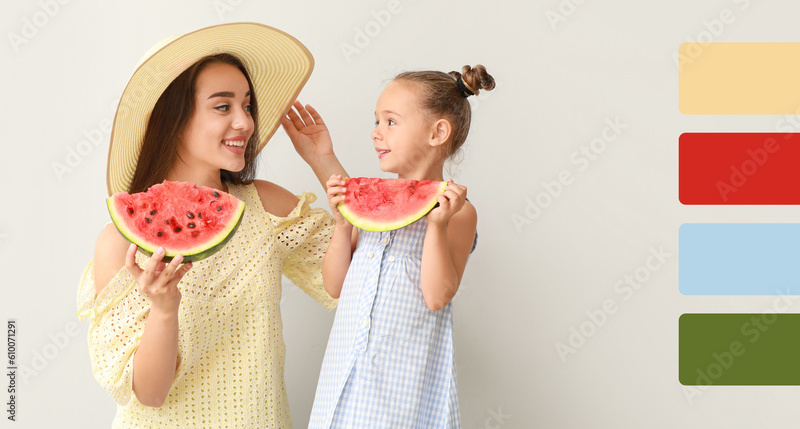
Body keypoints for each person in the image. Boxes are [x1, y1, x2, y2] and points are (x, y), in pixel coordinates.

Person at [76, 23, 348, 427]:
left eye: (247, 105)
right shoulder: (121, 242)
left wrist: (325, 164)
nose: (245, 123)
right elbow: (149, 395)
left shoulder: (266, 207)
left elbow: (352, 285)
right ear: (172, 117)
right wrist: (164, 310)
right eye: (223, 107)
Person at [306, 65, 495, 428]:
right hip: (344, 379)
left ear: (438, 132)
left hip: (402, 390)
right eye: (377, 121)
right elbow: (335, 287)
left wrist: (436, 227)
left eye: (391, 122)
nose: (376, 133)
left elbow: (437, 296)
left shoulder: (458, 213)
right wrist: (343, 222)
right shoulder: (370, 204)